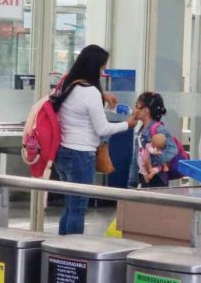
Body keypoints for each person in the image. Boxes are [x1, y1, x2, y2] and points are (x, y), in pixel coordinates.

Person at [51, 44, 138, 235]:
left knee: (69, 207)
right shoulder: (90, 92)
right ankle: (73, 253)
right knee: (78, 210)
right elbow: (102, 128)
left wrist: (102, 96)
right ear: (93, 67)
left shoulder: (69, 84)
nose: (102, 72)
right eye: (101, 68)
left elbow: (81, 114)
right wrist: (128, 125)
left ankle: (61, 250)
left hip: (63, 152)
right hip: (81, 155)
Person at [128, 92, 179, 188]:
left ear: (146, 111)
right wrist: (132, 182)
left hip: (157, 179)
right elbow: (136, 158)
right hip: (145, 178)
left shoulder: (158, 129)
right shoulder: (141, 130)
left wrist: (153, 160)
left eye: (137, 106)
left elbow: (173, 149)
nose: (134, 109)